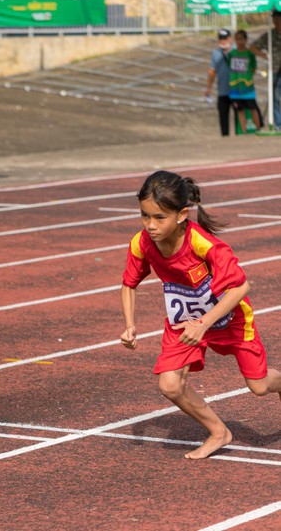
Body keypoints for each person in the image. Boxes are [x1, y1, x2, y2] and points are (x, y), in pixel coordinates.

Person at [120, 170, 281, 460]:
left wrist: (204, 323)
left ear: (182, 214)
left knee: (259, 386)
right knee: (169, 385)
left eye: (159, 218)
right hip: (184, 322)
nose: (150, 225)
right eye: (145, 216)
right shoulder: (141, 243)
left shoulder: (202, 243)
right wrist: (130, 325)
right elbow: (129, 283)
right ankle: (219, 432)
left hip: (228, 319)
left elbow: (241, 286)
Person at [250, 9, 281, 128]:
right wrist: (265, 56)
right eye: (275, 18)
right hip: (274, 71)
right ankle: (278, 125)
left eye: (278, 18)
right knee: (274, 99)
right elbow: (253, 47)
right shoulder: (269, 35)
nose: (277, 21)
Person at [228, 29, 263, 134]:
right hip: (235, 87)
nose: (240, 42)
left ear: (246, 40)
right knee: (240, 110)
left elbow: (253, 68)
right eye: (237, 39)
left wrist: (247, 78)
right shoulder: (232, 54)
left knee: (253, 108)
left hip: (247, 88)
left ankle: (258, 129)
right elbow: (230, 67)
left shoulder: (249, 54)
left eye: (242, 39)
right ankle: (243, 131)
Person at [204, 28, 233, 137]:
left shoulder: (236, 51)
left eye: (225, 38)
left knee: (239, 115)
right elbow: (212, 71)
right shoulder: (216, 53)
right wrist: (208, 88)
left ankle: (241, 138)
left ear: (230, 38)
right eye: (221, 38)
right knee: (223, 117)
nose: (223, 41)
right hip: (222, 91)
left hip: (236, 90)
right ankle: (225, 138)